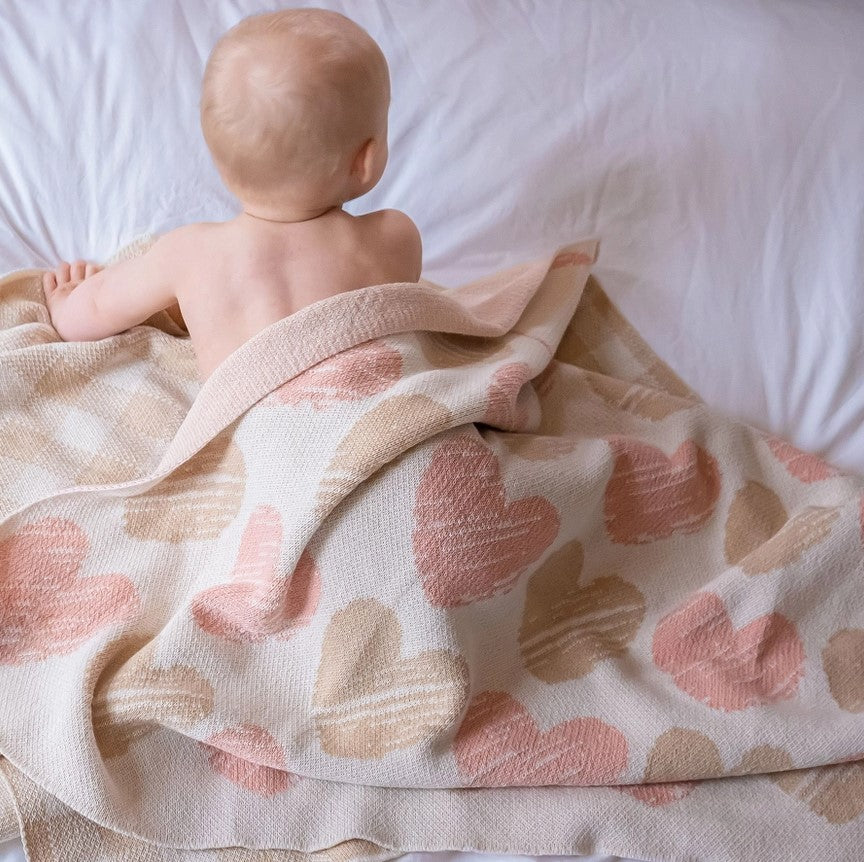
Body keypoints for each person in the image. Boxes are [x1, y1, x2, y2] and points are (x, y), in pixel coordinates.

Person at [42, 7, 422, 380]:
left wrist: (63, 308)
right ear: (366, 160)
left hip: (261, 436)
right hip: (369, 420)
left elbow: (94, 307)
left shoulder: (188, 254)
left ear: (219, 159)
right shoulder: (394, 237)